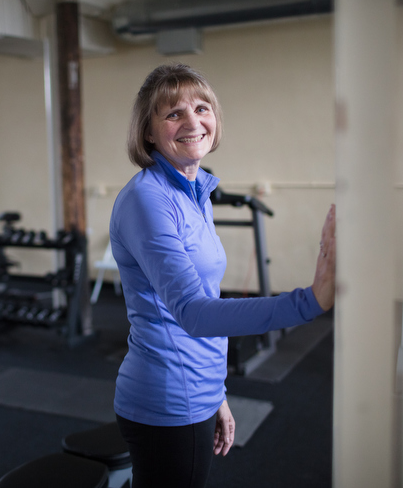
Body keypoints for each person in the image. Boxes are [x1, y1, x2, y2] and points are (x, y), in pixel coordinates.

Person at [110, 63, 336, 488]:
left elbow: (204, 296)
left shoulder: (195, 192)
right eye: (173, 113)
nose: (193, 122)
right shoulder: (148, 200)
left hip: (195, 390)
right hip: (167, 397)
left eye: (202, 107)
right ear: (148, 132)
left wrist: (216, 394)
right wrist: (310, 301)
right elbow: (195, 314)